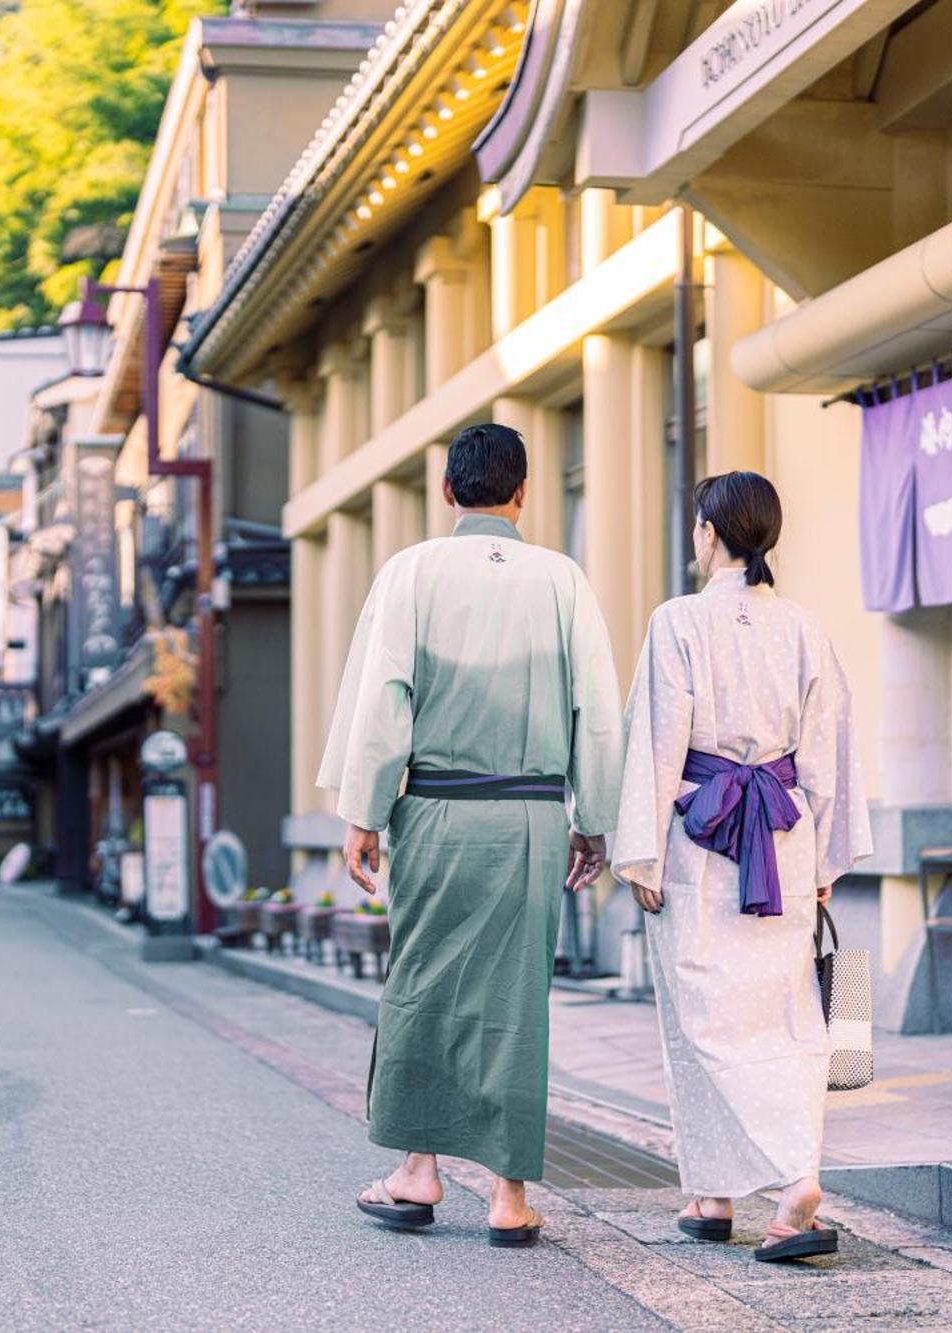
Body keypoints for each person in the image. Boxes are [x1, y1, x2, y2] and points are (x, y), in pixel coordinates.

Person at [324, 423, 622, 1248]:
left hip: (437, 810)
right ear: (524, 494)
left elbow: (386, 700)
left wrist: (364, 813)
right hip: (530, 814)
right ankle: (508, 1195)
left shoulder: (412, 571)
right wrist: (593, 820)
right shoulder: (562, 579)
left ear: (448, 492)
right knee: (517, 1000)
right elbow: (596, 709)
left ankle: (417, 1170)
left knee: (419, 984)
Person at [612, 471, 872, 1265]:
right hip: (785, 840)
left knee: (705, 1020)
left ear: (709, 533)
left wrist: (642, 850)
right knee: (788, 1015)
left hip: (702, 835)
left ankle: (797, 1182)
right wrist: (827, 854)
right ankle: (714, 1191)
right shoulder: (801, 625)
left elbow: (659, 739)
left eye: (697, 525)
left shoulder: (678, 621)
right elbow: (827, 747)